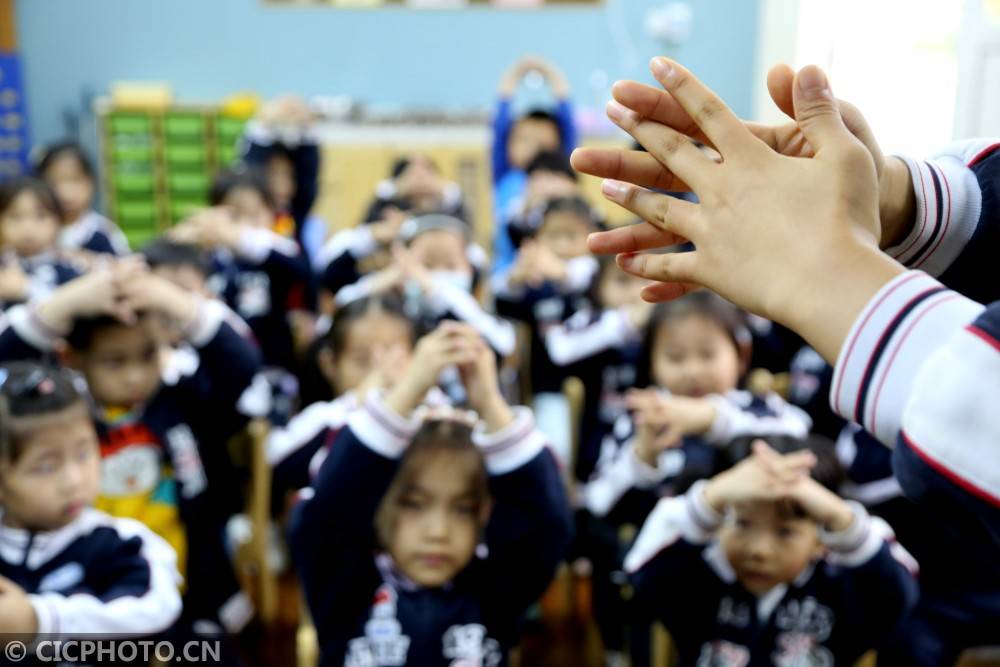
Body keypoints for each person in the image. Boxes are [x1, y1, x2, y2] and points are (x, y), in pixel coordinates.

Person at [573, 57, 1000, 653]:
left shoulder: (779, 449)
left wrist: (836, 276)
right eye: (675, 355)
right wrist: (901, 206)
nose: (759, 543)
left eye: (707, 352)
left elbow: (894, 581)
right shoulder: (650, 431)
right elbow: (610, 525)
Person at [0, 262, 262, 638]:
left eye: (147, 355)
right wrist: (62, 305)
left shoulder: (182, 401)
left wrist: (171, 299)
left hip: (191, 596)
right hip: (85, 600)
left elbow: (242, 364)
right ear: (71, 358)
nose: (135, 375)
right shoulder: (59, 419)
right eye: (115, 361)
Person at [290, 322, 571, 666]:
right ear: (376, 506)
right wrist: (408, 390)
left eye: (463, 509)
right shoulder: (346, 584)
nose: (437, 532)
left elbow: (547, 520)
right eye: (413, 505)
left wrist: (488, 401)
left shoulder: (495, 590)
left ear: (484, 513)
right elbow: (328, 509)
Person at [625, 438, 917, 665]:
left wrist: (840, 519)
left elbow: (899, 598)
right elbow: (643, 582)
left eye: (785, 532)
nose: (760, 551)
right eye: (742, 524)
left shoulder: (843, 588)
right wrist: (710, 501)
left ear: (820, 539)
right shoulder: (696, 579)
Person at [0, 361, 182, 641]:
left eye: (84, 454)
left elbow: (159, 607)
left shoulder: (121, 542)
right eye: (46, 467)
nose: (73, 481)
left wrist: (40, 621)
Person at [268, 295, 419, 512]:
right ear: (329, 363)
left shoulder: (427, 413)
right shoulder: (326, 416)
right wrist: (361, 403)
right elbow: (274, 466)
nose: (383, 374)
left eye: (396, 360)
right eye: (362, 361)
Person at [493, 195, 602, 464]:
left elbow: (585, 278)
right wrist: (515, 278)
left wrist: (559, 272)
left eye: (571, 236)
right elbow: (501, 303)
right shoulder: (536, 285)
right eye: (553, 236)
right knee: (556, 451)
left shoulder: (595, 273)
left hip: (596, 385)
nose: (562, 245)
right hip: (548, 385)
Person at [492, 56, 578, 273]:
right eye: (524, 139)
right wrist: (516, 72)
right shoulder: (506, 174)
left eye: (541, 141)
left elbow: (568, 122)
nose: (533, 148)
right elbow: (500, 125)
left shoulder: (561, 175)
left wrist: (550, 72)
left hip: (560, 267)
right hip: (511, 269)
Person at [240, 96, 326, 262]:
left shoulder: (294, 215)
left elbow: (308, 175)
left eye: (289, 176)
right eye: (274, 175)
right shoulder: (250, 217)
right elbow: (250, 172)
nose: (282, 183)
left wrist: (306, 126)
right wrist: (263, 124)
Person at [34, 141, 130, 258]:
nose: (65, 191)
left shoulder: (104, 231)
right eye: (54, 182)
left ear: (90, 183)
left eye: (75, 180)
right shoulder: (34, 231)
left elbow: (125, 267)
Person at [0, 178, 80, 308]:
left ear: (59, 221)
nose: (27, 227)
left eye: (40, 216)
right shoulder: (4, 263)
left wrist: (26, 289)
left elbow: (76, 306)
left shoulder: (67, 266)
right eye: (15, 216)